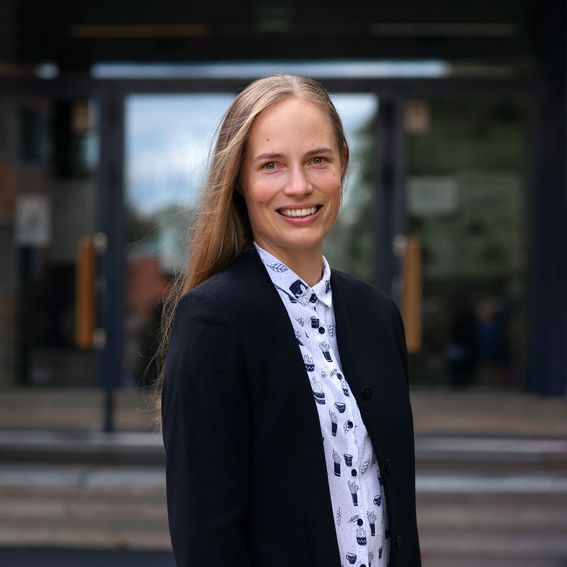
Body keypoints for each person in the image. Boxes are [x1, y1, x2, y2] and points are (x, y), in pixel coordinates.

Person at [157, 74, 421, 567]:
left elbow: (394, 510)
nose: (299, 186)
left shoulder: (377, 315)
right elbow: (206, 537)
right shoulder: (213, 321)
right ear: (239, 181)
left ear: (343, 164)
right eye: (271, 165)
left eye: (318, 160)